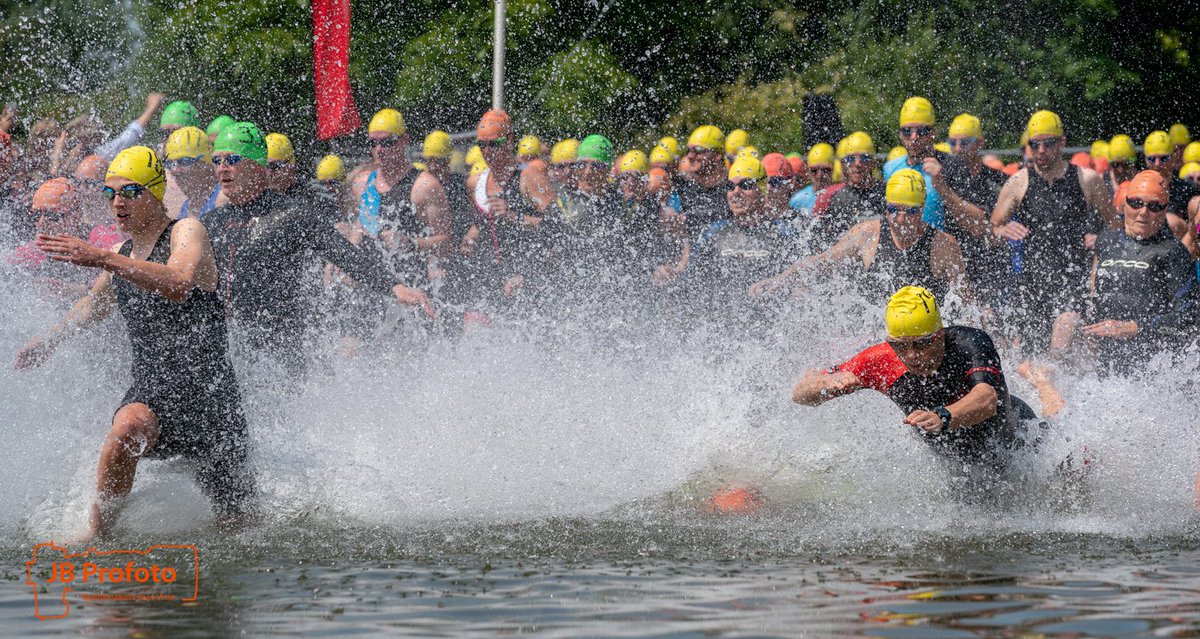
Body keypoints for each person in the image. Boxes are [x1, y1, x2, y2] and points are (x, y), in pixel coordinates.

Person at [14, 146, 255, 540]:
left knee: (238, 529)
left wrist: (103, 259)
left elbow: (179, 281)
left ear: (156, 192)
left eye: (129, 191)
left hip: (211, 400)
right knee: (126, 429)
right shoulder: (121, 254)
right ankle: (101, 534)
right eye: (110, 194)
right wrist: (48, 341)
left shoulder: (186, 230)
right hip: (154, 391)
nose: (117, 203)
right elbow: (92, 305)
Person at [202, 121, 433, 368]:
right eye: (216, 161)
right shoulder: (212, 222)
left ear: (257, 164)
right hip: (233, 347)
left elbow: (343, 253)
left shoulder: (291, 214)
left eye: (232, 159)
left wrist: (394, 287)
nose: (222, 168)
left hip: (284, 348)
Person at [791, 286, 1039, 482]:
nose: (911, 356)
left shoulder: (968, 342)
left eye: (921, 344)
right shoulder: (880, 360)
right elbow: (801, 396)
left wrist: (943, 416)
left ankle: (1043, 384)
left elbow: (987, 399)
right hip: (965, 466)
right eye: (900, 346)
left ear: (939, 334)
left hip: (1021, 440)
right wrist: (826, 383)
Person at [1020, 171, 1200, 415]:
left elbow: (1189, 317)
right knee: (1066, 322)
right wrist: (1089, 323)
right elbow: (1093, 295)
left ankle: (1048, 389)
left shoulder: (1171, 252)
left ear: (1164, 210)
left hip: (1146, 360)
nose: (1143, 212)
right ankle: (1049, 376)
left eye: (1154, 207)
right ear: (1125, 202)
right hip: (1104, 355)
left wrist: (1135, 327)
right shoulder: (1107, 242)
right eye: (1136, 203)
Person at [990, 110, 1118, 354]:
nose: (1041, 151)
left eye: (1048, 144)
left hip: (1073, 284)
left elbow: (1114, 226)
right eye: (1034, 144)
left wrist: (1102, 240)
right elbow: (993, 227)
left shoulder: (1087, 180)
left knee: (1060, 344)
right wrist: (1003, 230)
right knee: (1030, 359)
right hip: (1033, 286)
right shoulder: (1018, 182)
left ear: (1062, 142)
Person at [751, 169, 968, 304]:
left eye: (910, 212)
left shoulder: (942, 245)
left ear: (921, 210)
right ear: (885, 208)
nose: (901, 220)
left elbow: (966, 301)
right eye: (894, 210)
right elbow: (822, 262)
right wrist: (779, 280)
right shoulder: (867, 234)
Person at [680, 156, 800, 311]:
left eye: (746, 185)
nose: (736, 192)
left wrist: (779, 282)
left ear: (762, 189)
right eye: (730, 186)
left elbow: (802, 278)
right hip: (722, 324)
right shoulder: (713, 232)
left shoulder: (782, 232)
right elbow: (689, 281)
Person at [350, 109, 451, 285]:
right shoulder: (362, 183)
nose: (379, 149)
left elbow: (447, 244)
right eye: (373, 143)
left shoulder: (424, 186)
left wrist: (412, 243)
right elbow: (362, 224)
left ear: (404, 140)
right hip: (373, 285)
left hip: (411, 285)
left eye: (387, 142)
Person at [929, 113, 1012, 306]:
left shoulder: (996, 181)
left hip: (989, 264)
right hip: (955, 262)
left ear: (980, 143)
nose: (957, 149)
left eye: (965, 142)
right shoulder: (944, 176)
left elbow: (983, 227)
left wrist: (945, 192)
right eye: (953, 143)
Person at [882, 97, 952, 229]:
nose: (914, 137)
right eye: (907, 131)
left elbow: (977, 224)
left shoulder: (949, 166)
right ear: (900, 134)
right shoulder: (890, 168)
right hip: (903, 245)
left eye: (922, 131)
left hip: (937, 245)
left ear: (933, 133)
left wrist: (944, 189)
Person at [809, 132, 884, 251]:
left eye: (864, 158)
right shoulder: (829, 197)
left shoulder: (886, 193)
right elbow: (814, 243)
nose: (858, 163)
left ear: (873, 162)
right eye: (850, 159)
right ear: (843, 164)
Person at [163, 126, 219, 220]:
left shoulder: (221, 199)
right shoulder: (186, 207)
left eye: (185, 161)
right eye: (170, 163)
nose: (175, 170)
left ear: (206, 164)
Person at [788, 143, 834, 219]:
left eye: (825, 170)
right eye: (814, 170)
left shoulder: (840, 196)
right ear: (808, 171)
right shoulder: (797, 200)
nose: (819, 175)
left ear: (834, 169)